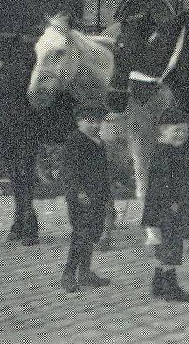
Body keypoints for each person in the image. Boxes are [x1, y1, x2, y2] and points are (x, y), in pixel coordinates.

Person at [144, 108, 189, 301]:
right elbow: (163, 185)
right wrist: (174, 205)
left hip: (165, 211)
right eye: (177, 131)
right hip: (169, 211)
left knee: (164, 248)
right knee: (171, 250)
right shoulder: (167, 154)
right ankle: (170, 288)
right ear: (163, 131)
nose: (182, 135)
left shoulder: (168, 151)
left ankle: (157, 284)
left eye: (185, 132)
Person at [59, 105, 112, 293]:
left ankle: (85, 272)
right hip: (81, 198)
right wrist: (78, 192)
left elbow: (104, 173)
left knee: (91, 234)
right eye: (90, 121)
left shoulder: (99, 142)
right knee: (81, 234)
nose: (95, 125)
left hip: (97, 196)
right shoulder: (74, 141)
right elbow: (69, 172)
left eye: (98, 121)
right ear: (78, 121)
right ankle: (68, 273)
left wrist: (107, 196)